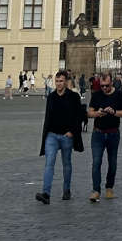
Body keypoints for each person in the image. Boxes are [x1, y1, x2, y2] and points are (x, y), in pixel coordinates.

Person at [36, 70, 85, 204]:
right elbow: (47, 117)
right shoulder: (51, 97)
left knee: (66, 164)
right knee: (49, 163)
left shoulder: (73, 97)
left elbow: (78, 117)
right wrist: (45, 135)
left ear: (66, 82)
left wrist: (72, 132)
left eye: (61, 81)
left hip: (66, 136)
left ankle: (66, 190)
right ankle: (46, 193)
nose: (58, 84)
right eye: (57, 81)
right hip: (52, 135)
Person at [88, 72, 122, 203]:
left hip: (113, 133)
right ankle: (96, 190)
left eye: (106, 85)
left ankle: (109, 187)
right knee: (96, 162)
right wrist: (97, 113)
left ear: (111, 83)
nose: (104, 88)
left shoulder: (119, 94)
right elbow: (89, 112)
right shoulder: (96, 94)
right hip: (98, 133)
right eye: (102, 86)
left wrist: (114, 112)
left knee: (112, 163)